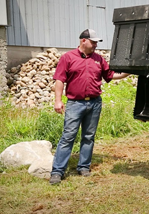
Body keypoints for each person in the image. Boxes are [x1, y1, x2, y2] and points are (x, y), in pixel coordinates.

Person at [49, 29, 129, 184]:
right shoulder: (68, 58)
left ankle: (83, 167)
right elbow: (60, 80)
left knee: (88, 137)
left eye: (96, 42)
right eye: (93, 42)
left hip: (94, 103)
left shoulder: (98, 59)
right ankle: (57, 171)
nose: (95, 45)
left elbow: (110, 76)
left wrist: (128, 73)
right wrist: (58, 101)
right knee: (68, 137)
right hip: (75, 104)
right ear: (83, 41)